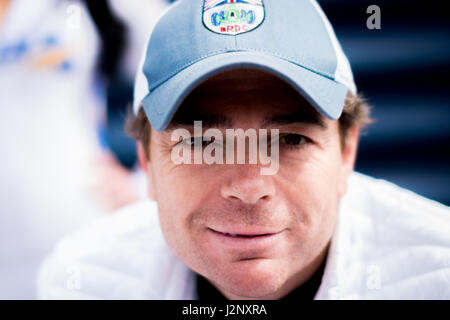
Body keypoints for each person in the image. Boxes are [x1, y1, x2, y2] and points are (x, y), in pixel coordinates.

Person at [37, 0, 450, 300]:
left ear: (346, 154)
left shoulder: (437, 276)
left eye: (290, 140)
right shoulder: (86, 280)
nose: (250, 185)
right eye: (201, 141)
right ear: (147, 164)